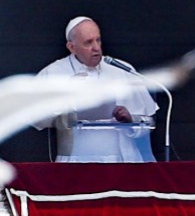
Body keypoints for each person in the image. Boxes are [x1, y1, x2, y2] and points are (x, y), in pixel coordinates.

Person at [33, 16, 159, 163]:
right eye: (88, 42)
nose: (96, 48)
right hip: (76, 163)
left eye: (98, 40)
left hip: (123, 161)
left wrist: (130, 120)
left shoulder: (121, 70)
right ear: (71, 47)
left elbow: (149, 123)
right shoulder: (53, 73)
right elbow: (35, 119)